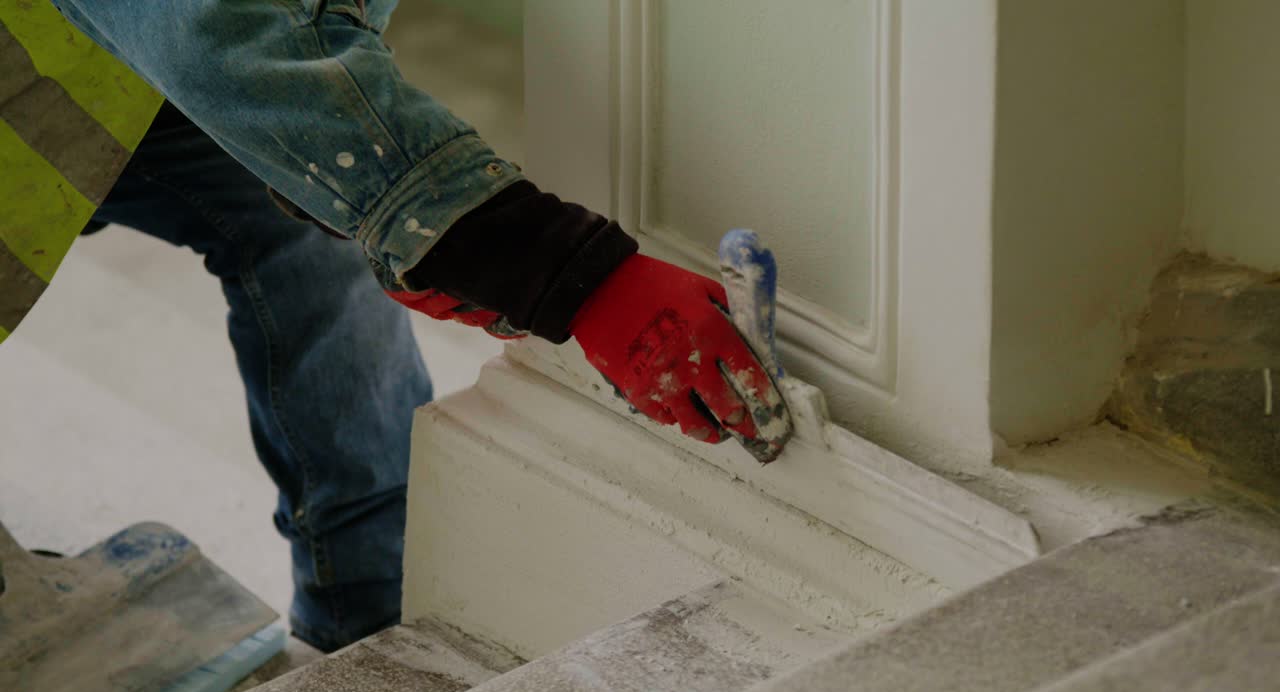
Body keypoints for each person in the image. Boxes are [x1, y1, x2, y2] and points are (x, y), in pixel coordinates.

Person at [0, 0, 780, 651]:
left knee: (309, 218)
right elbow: (214, 25)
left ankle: (373, 614)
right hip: (110, 47)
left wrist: (413, 215)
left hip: (113, 68)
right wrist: (564, 273)